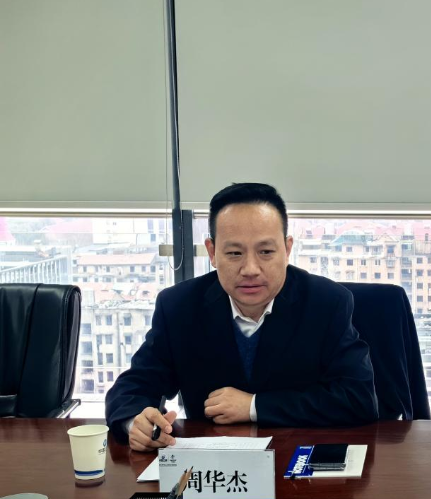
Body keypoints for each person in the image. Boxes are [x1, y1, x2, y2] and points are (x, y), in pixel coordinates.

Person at [106, 183, 378, 451]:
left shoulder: (327, 302)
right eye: (234, 253)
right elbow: (133, 387)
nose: (250, 269)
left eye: (266, 252)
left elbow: (358, 398)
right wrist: (135, 423)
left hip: (297, 460)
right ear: (212, 252)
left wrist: (254, 406)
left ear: (287, 250)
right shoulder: (179, 306)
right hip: (211, 465)